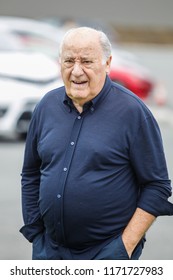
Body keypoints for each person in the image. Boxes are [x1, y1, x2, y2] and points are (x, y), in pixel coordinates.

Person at [20, 27, 173, 260]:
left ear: (108, 63)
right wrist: (35, 232)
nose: (76, 71)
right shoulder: (46, 107)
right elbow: (31, 173)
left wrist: (124, 247)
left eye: (87, 61)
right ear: (59, 62)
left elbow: (157, 186)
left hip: (107, 253)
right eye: (69, 60)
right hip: (49, 251)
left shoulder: (133, 113)